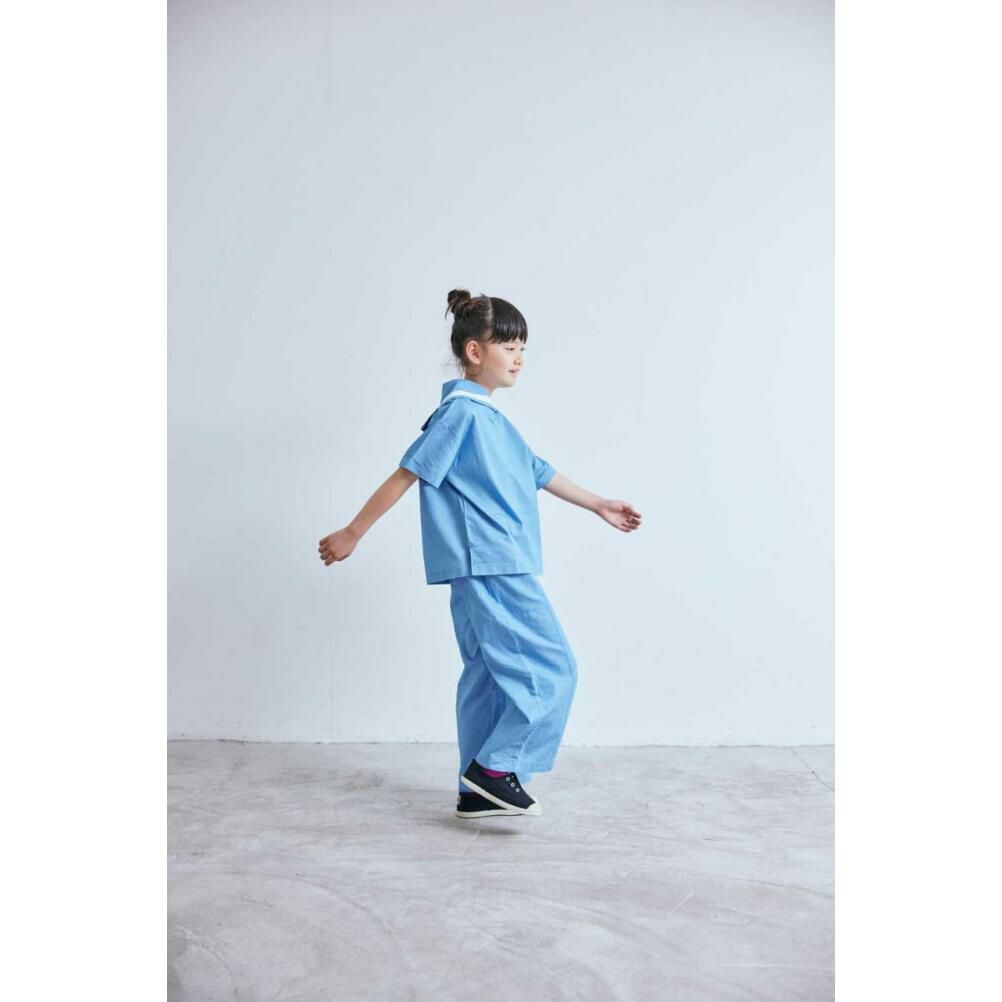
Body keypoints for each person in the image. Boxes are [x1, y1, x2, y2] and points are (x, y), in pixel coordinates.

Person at [317, 289, 642, 819]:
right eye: (509, 347)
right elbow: (408, 472)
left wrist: (598, 504)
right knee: (553, 669)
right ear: (475, 351)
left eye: (523, 349)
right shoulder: (461, 415)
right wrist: (354, 531)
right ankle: (494, 768)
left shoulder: (490, 419)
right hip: (491, 563)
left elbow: (540, 471)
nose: (519, 358)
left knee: (487, 676)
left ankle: (475, 789)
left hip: (486, 564)